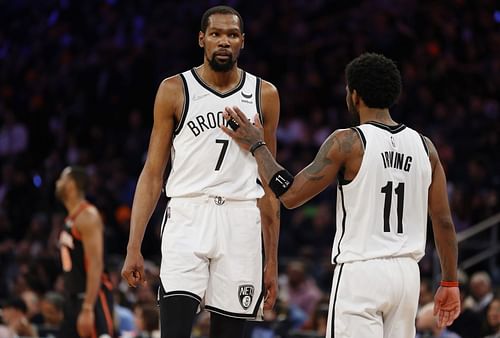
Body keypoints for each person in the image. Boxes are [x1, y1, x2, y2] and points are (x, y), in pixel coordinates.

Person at [222, 52, 461, 337]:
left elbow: (290, 195)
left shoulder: (348, 142)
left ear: (355, 95)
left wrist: (257, 145)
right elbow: (444, 223)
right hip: (408, 276)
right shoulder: (426, 148)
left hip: (361, 272)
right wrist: (450, 283)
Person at [121, 5, 280, 338]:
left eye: (232, 35)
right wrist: (133, 244)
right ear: (201, 39)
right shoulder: (174, 89)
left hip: (240, 220)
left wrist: (272, 260)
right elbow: (153, 174)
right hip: (188, 214)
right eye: (216, 34)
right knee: (175, 330)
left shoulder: (264, 94)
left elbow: (268, 184)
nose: (224, 41)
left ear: (242, 41)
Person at [56, 166, 115, 337]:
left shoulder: (87, 215)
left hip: (92, 298)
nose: (57, 183)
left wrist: (88, 307)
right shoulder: (71, 218)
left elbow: (96, 263)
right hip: (73, 299)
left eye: (62, 179)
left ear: (72, 185)